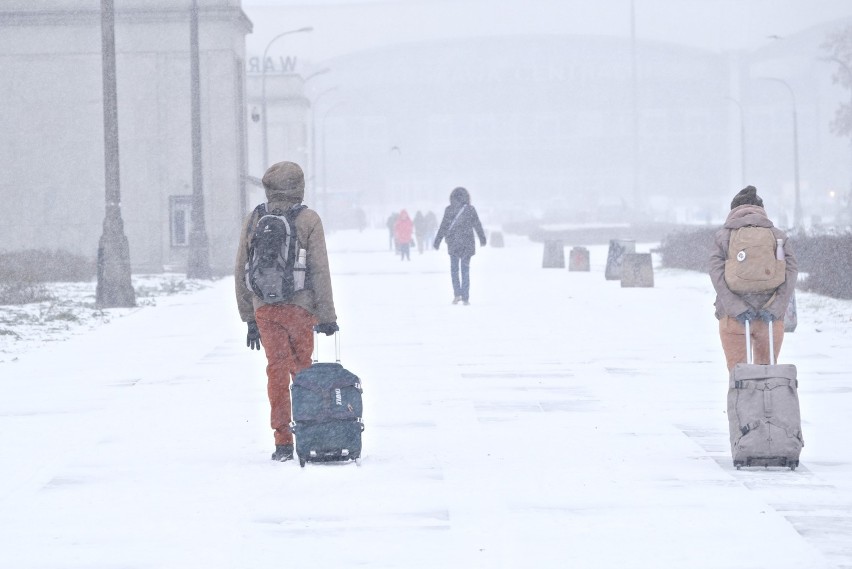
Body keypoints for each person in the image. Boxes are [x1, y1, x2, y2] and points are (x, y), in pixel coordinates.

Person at [235, 161, 339, 462]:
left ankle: (282, 442)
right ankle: (308, 431)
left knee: (276, 371)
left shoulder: (255, 218)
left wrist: (248, 317)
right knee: (303, 372)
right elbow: (320, 270)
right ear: (299, 187)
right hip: (301, 308)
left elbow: (240, 266)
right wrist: (327, 315)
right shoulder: (308, 220)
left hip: (265, 308)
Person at [709, 185, 797, 371]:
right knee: (767, 375)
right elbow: (790, 272)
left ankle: (741, 400)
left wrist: (737, 308)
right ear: (761, 209)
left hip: (733, 318)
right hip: (770, 319)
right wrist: (774, 308)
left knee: (738, 376)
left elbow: (717, 275)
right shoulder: (777, 235)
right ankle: (767, 401)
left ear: (733, 210)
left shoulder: (724, 236)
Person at [433, 186, 487, 305]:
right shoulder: (470, 209)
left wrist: (437, 241)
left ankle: (457, 294)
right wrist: (482, 238)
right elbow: (477, 224)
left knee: (454, 270)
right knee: (465, 271)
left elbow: (444, 226)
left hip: (454, 244)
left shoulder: (449, 209)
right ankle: (466, 297)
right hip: (467, 244)